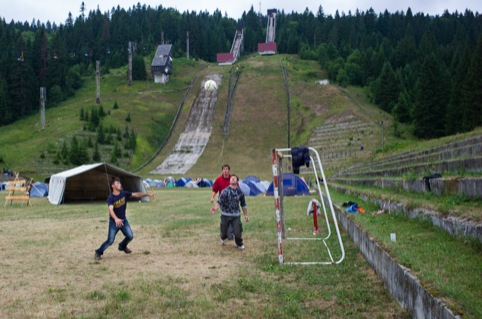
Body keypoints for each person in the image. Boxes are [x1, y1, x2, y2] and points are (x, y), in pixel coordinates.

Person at [94, 177, 154, 260]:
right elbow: (110, 210)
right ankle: (98, 252)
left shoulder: (124, 194)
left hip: (123, 220)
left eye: (120, 183)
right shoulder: (111, 198)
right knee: (110, 240)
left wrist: (148, 195)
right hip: (114, 222)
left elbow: (136, 194)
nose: (120, 185)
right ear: (113, 186)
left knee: (130, 236)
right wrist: (116, 219)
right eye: (117, 184)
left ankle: (122, 246)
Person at [210, 174, 249, 249]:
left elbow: (243, 204)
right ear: (230, 181)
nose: (233, 179)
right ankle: (222, 237)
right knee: (224, 232)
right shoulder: (225, 191)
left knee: (238, 232)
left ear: (237, 181)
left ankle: (239, 243)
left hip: (236, 215)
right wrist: (215, 208)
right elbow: (219, 201)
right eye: (231, 178)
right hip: (225, 215)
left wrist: (246, 215)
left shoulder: (240, 192)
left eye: (234, 178)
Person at [210, 164, 235, 240]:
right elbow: (215, 189)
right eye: (224, 169)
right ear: (222, 171)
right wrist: (212, 197)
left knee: (231, 217)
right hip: (222, 202)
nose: (225, 170)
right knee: (225, 217)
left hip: (231, 202)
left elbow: (237, 189)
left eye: (227, 169)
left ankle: (230, 234)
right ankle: (224, 233)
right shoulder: (218, 180)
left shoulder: (233, 179)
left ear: (229, 171)